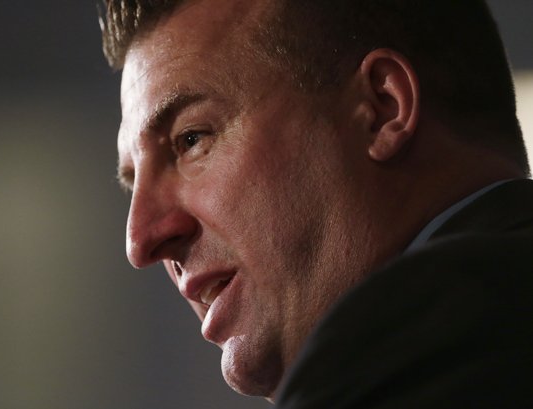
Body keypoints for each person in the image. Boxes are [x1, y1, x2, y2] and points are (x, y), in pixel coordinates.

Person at [99, 0, 533, 406]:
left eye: (191, 140)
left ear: (381, 109)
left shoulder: (418, 351)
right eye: (133, 183)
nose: (140, 240)